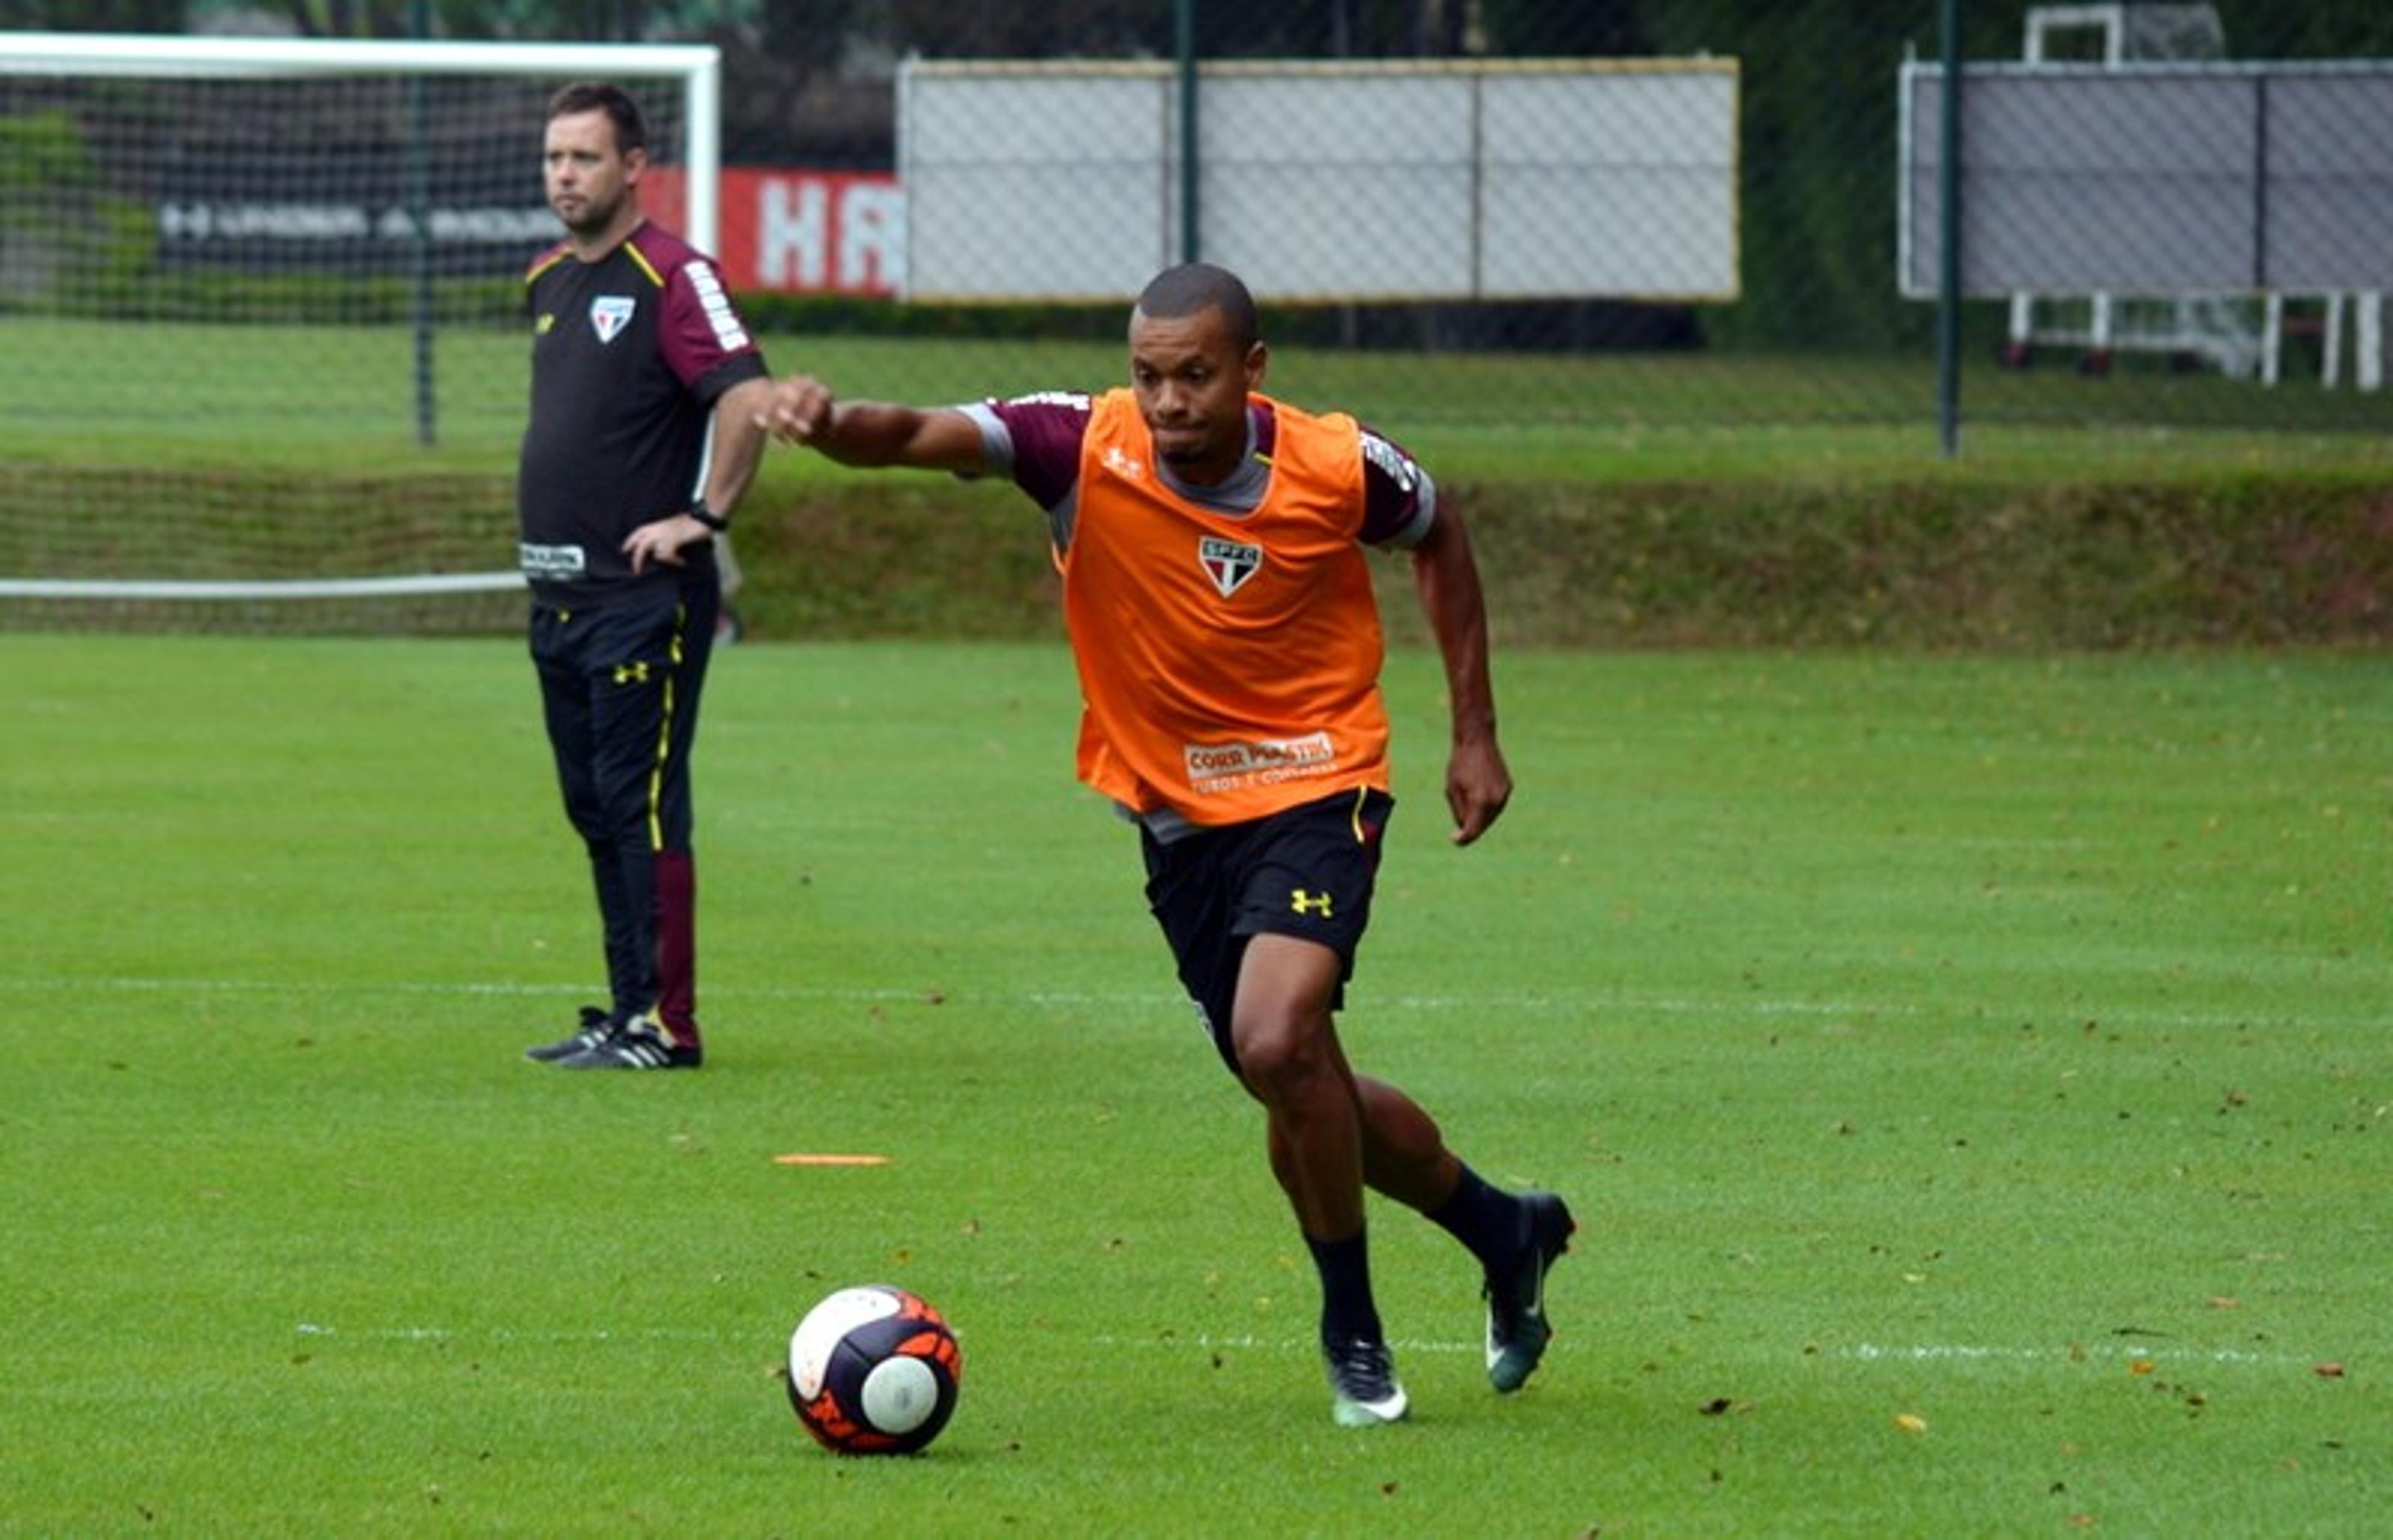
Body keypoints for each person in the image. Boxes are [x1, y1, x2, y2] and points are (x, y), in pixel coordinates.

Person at [758, 262, 1574, 1426]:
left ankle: (1354, 1332)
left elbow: (1442, 536)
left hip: (1320, 785)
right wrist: (832, 425)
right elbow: (926, 434)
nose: (1169, 400)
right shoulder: (1080, 447)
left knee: (1278, 1036)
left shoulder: (1339, 464)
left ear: (1252, 371)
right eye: (1149, 376)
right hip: (1179, 825)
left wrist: (1476, 734)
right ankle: (1507, 1229)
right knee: (1297, 1084)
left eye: (1195, 375)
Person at [515, 82, 772, 1070]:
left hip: (642, 605)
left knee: (645, 803)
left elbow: (747, 399)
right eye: (554, 158)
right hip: (559, 600)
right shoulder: (546, 279)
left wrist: (703, 517)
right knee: (595, 809)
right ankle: (624, 1012)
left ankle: (667, 1025)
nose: (564, 175)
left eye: (583, 157)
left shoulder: (673, 276)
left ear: (633, 167)